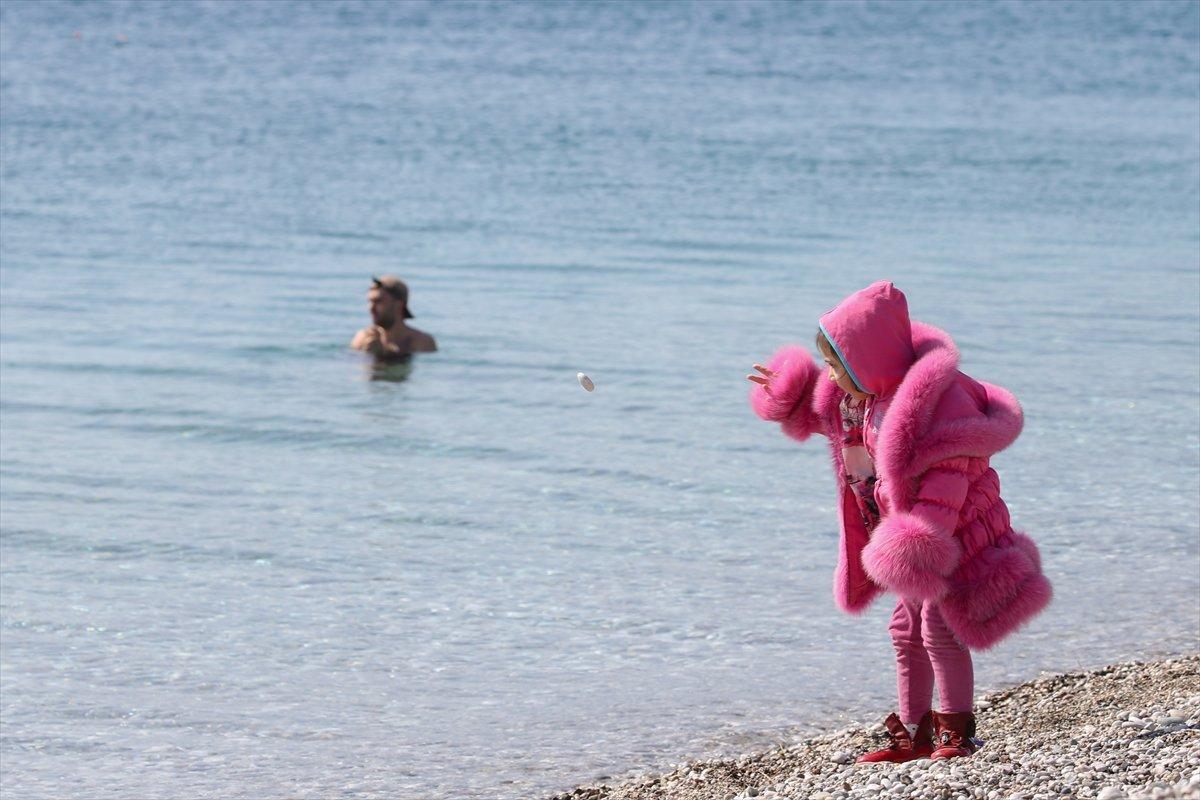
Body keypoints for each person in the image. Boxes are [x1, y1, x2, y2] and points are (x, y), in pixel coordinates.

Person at [746, 281, 1051, 763]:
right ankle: (914, 731)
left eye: (834, 365)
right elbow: (822, 413)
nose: (829, 375)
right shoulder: (859, 395)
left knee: (939, 626)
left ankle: (957, 732)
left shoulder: (940, 407)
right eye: (825, 364)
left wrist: (917, 542)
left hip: (953, 536)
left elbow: (948, 484)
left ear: (866, 363)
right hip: (904, 536)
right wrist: (787, 390)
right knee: (904, 630)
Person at [351, 275, 437, 359]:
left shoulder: (422, 342)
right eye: (370, 301)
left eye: (378, 301)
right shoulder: (363, 338)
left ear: (399, 304)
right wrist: (367, 355)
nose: (371, 308)